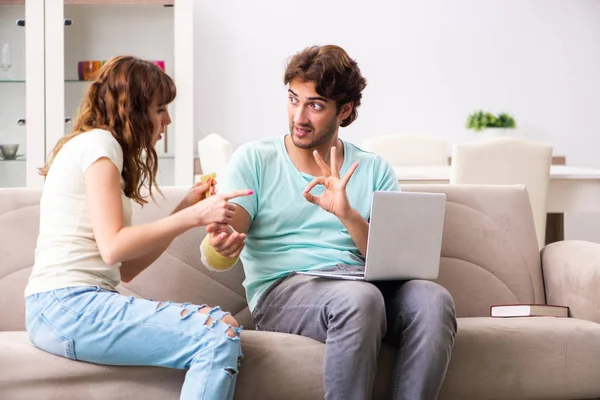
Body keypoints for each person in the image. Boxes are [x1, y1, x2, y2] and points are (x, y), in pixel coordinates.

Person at [200, 45, 457, 400]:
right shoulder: (255, 159)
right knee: (360, 299)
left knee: (434, 299)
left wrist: (348, 215)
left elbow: (392, 261)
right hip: (286, 288)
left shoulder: (374, 169)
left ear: (345, 110)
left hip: (359, 280)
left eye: (315, 105)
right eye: (293, 99)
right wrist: (221, 242)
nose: (299, 117)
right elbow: (227, 232)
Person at [24, 55, 253, 400]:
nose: (168, 120)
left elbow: (125, 268)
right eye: (160, 109)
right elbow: (114, 246)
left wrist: (184, 209)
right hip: (67, 306)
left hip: (64, 307)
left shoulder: (95, 146)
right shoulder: (101, 146)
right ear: (133, 110)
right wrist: (196, 216)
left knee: (220, 330)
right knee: (217, 331)